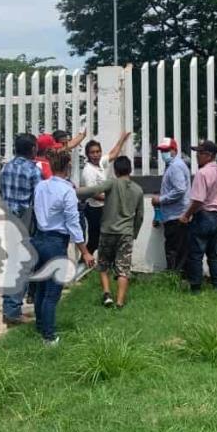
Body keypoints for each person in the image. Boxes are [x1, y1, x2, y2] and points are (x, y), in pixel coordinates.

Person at [31, 148, 95, 345]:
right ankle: (49, 337)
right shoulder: (67, 190)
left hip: (39, 238)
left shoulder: (41, 186)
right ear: (68, 167)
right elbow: (73, 223)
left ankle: (41, 325)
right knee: (52, 292)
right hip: (55, 242)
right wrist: (85, 252)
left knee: (41, 287)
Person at [77, 155, 144, 308]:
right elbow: (140, 216)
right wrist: (134, 232)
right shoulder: (138, 190)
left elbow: (93, 190)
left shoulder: (111, 183)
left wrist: (73, 191)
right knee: (123, 268)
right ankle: (120, 302)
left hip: (107, 231)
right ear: (130, 170)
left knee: (103, 264)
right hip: (126, 233)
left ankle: (107, 294)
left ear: (115, 170)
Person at [0, 133, 42, 327]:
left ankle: (9, 306)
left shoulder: (6, 167)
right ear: (32, 149)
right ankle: (13, 311)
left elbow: (1, 193)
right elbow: (39, 198)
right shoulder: (33, 170)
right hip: (25, 220)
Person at [180, 141, 217, 293]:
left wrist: (186, 215)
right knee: (213, 254)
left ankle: (195, 288)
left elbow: (198, 200)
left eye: (199, 153)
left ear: (209, 156)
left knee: (196, 254)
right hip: (216, 217)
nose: (197, 156)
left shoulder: (202, 173)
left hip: (203, 216)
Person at [80, 133, 129, 254]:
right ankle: (84, 262)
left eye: (98, 152)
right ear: (87, 154)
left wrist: (122, 139)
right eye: (92, 152)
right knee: (94, 240)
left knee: (106, 238)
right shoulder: (88, 171)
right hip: (94, 210)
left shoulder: (99, 163)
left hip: (103, 207)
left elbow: (113, 154)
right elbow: (92, 194)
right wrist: (110, 199)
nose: (96, 155)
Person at [151, 138, 191, 274]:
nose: (163, 153)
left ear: (175, 150)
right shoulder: (173, 166)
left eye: (166, 150)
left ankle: (175, 278)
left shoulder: (175, 166)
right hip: (174, 215)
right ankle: (178, 276)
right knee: (177, 249)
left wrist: (161, 200)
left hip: (176, 216)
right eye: (162, 151)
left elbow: (180, 190)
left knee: (174, 250)